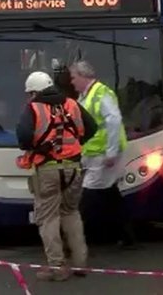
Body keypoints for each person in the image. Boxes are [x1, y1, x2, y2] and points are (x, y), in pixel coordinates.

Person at [16, 71, 97, 282]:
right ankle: (80, 263)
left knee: (48, 217)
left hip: (47, 169)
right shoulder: (71, 103)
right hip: (73, 168)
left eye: (30, 93)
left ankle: (57, 267)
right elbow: (92, 127)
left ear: (34, 91)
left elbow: (23, 137)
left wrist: (37, 146)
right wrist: (76, 143)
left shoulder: (33, 108)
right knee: (71, 212)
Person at [67, 60, 135, 248]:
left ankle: (74, 239)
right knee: (110, 194)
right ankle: (127, 236)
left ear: (83, 76)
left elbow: (114, 120)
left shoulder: (101, 93)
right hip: (94, 152)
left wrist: (111, 152)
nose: (71, 82)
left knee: (88, 194)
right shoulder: (84, 96)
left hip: (104, 153)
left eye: (73, 78)